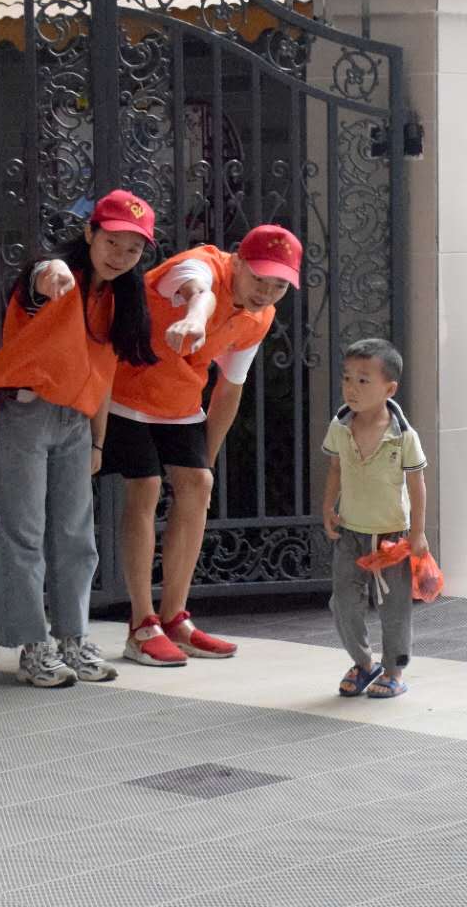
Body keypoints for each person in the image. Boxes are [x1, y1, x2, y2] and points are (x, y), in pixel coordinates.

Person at [102, 224, 302, 666]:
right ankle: (142, 624)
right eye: (259, 279)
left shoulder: (260, 316)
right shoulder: (199, 266)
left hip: (179, 399)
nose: (266, 293)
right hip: (123, 389)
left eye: (279, 286)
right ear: (238, 261)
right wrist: (194, 318)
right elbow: (199, 291)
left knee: (198, 486)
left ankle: (175, 618)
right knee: (146, 485)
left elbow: (230, 387)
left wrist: (204, 462)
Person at [0, 190, 158, 688]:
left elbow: (103, 376)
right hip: (24, 413)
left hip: (75, 424)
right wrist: (50, 271)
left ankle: (73, 638)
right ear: (89, 233)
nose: (120, 255)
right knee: (24, 534)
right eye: (112, 241)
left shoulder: (119, 299)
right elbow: (40, 280)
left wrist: (98, 442)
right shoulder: (59, 277)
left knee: (76, 536)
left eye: (132, 248)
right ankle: (32, 646)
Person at [320, 338, 429, 700]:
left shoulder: (404, 436)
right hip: (350, 532)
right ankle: (364, 663)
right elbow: (335, 468)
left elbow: (417, 484)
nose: (351, 387)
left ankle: (394, 670)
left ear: (389, 389)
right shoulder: (340, 427)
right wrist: (328, 507)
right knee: (343, 603)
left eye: (363, 380)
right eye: (347, 378)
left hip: (391, 537)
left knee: (394, 607)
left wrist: (418, 533)